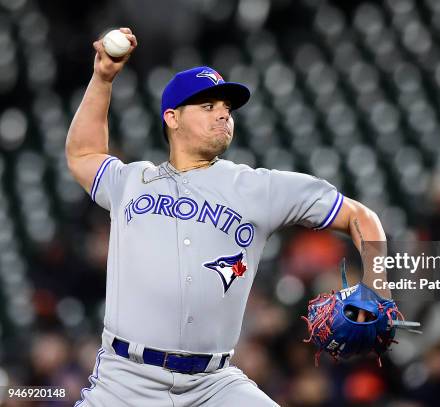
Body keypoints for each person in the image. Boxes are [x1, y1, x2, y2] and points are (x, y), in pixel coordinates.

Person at [65, 28, 388, 406]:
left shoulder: (260, 188)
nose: (222, 114)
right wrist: (103, 78)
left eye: (226, 108)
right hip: (124, 383)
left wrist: (378, 289)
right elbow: (83, 154)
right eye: (208, 107)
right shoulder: (132, 181)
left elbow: (359, 216)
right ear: (172, 117)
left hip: (212, 385)